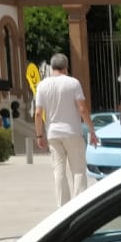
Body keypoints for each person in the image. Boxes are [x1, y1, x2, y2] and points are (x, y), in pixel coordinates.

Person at [33, 53, 97, 206]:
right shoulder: (73, 83)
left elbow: (37, 113)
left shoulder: (42, 85)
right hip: (72, 132)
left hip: (53, 133)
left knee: (58, 171)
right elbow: (82, 108)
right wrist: (92, 130)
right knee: (79, 170)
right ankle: (79, 204)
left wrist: (39, 135)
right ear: (66, 67)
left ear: (52, 66)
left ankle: (63, 206)